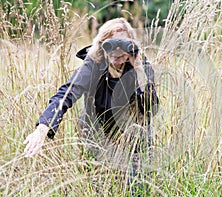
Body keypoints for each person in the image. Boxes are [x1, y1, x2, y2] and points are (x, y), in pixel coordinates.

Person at [23, 18, 159, 159]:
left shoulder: (141, 66)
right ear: (101, 46)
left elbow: (150, 109)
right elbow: (68, 92)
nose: (117, 51)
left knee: (135, 172)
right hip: (95, 130)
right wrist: (43, 127)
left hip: (130, 134)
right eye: (110, 44)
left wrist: (139, 71)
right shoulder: (93, 64)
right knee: (95, 174)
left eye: (123, 45)